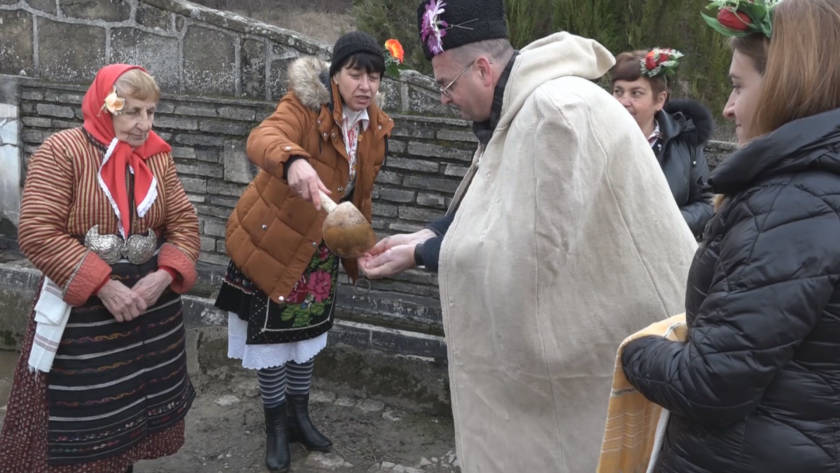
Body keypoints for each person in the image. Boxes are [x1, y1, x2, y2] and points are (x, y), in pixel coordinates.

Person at [361, 1, 699, 471]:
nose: (443, 98)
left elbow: (530, 252)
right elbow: (497, 202)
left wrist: (423, 252)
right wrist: (431, 232)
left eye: (445, 85)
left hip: (627, 341)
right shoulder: (525, 104)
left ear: (482, 69)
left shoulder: (555, 110)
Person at [621, 0, 840, 471]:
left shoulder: (792, 204)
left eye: (739, 86)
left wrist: (634, 350)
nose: (728, 106)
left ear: (787, 86)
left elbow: (712, 383)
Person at [0, 65, 200, 473]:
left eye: (151, 112)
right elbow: (37, 232)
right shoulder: (62, 152)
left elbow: (183, 222)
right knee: (81, 421)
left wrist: (163, 276)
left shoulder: (158, 158)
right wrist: (104, 285)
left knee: (134, 408)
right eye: (132, 112)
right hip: (84, 317)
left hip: (149, 312)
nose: (144, 123)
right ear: (105, 109)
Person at [215, 31, 393, 473]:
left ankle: (299, 417)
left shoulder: (375, 126)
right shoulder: (304, 106)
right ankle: (275, 426)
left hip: (320, 253)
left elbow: (361, 197)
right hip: (274, 242)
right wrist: (293, 159)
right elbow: (264, 136)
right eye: (355, 73)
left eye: (373, 75)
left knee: (305, 340)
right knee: (273, 342)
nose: (364, 85)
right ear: (335, 75)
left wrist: (360, 248)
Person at [611, 48, 714, 237]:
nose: (623, 101)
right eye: (618, 92)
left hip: (666, 254)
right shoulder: (599, 140)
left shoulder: (685, 142)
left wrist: (666, 223)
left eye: (636, 93)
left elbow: (706, 203)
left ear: (659, 100)